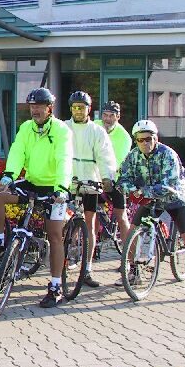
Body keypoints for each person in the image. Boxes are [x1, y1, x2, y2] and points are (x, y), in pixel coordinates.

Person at [0, 88, 73, 308]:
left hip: (54, 187)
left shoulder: (62, 130)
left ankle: (55, 287)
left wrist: (62, 189)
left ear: (49, 108)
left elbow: (64, 159)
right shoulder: (26, 128)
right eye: (32, 106)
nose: (35, 110)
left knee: (55, 235)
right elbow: (18, 152)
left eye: (39, 106)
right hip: (33, 182)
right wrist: (9, 175)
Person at [117, 120, 185, 303]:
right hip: (150, 200)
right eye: (141, 140)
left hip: (175, 199)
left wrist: (140, 191)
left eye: (149, 139)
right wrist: (130, 189)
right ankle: (132, 271)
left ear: (156, 138)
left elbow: (168, 184)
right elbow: (122, 178)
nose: (145, 143)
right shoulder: (133, 156)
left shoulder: (168, 154)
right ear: (136, 141)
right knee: (132, 232)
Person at [64, 91, 115, 288]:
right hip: (67, 181)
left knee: (90, 224)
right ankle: (62, 261)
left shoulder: (97, 131)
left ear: (88, 109)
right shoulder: (64, 127)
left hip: (90, 181)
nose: (78, 111)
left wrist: (106, 177)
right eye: (75, 107)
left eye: (82, 107)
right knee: (61, 221)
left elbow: (105, 156)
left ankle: (87, 268)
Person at [95, 100, 134, 273]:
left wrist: (107, 179)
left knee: (121, 216)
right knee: (88, 213)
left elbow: (115, 163)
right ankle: (89, 249)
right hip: (94, 177)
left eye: (111, 116)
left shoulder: (124, 137)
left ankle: (128, 259)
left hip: (115, 180)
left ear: (118, 117)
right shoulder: (94, 126)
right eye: (105, 115)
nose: (107, 119)